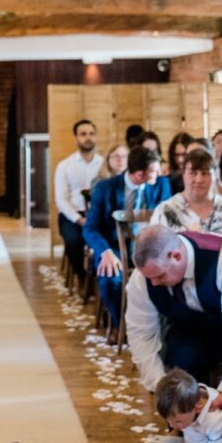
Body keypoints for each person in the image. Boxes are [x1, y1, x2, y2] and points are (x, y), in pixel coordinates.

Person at [125, 225, 222, 425]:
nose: (155, 284)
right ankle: (188, 438)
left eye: (159, 276)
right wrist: (161, 385)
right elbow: (140, 334)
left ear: (176, 256)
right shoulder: (143, 279)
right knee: (181, 364)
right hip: (191, 329)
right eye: (150, 278)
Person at [85, 146, 172, 326]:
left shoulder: (162, 185)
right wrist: (105, 252)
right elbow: (90, 228)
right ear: (140, 174)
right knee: (111, 277)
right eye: (154, 171)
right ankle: (123, 326)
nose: (159, 174)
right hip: (115, 247)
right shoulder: (105, 188)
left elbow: (167, 220)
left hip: (152, 249)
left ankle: (159, 328)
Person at [151, 148, 222, 242]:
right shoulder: (164, 211)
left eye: (205, 173)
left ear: (215, 175)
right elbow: (154, 252)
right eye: (193, 173)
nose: (199, 180)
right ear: (183, 174)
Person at [54, 119, 105, 281]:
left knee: (109, 240)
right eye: (83, 134)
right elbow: (61, 200)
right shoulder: (65, 165)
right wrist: (79, 219)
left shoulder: (103, 164)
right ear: (76, 138)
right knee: (74, 241)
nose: (88, 138)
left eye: (91, 134)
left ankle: (101, 278)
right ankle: (82, 278)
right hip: (73, 216)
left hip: (98, 215)